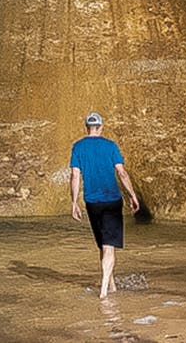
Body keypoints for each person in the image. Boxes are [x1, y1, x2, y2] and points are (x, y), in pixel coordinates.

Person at [69, 112, 141, 298]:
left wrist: (74, 202)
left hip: (92, 202)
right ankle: (103, 293)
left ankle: (112, 286)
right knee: (109, 246)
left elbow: (75, 176)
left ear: (87, 127)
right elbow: (122, 173)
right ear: (101, 127)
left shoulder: (78, 147)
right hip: (111, 201)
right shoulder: (110, 146)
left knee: (103, 245)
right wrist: (133, 195)